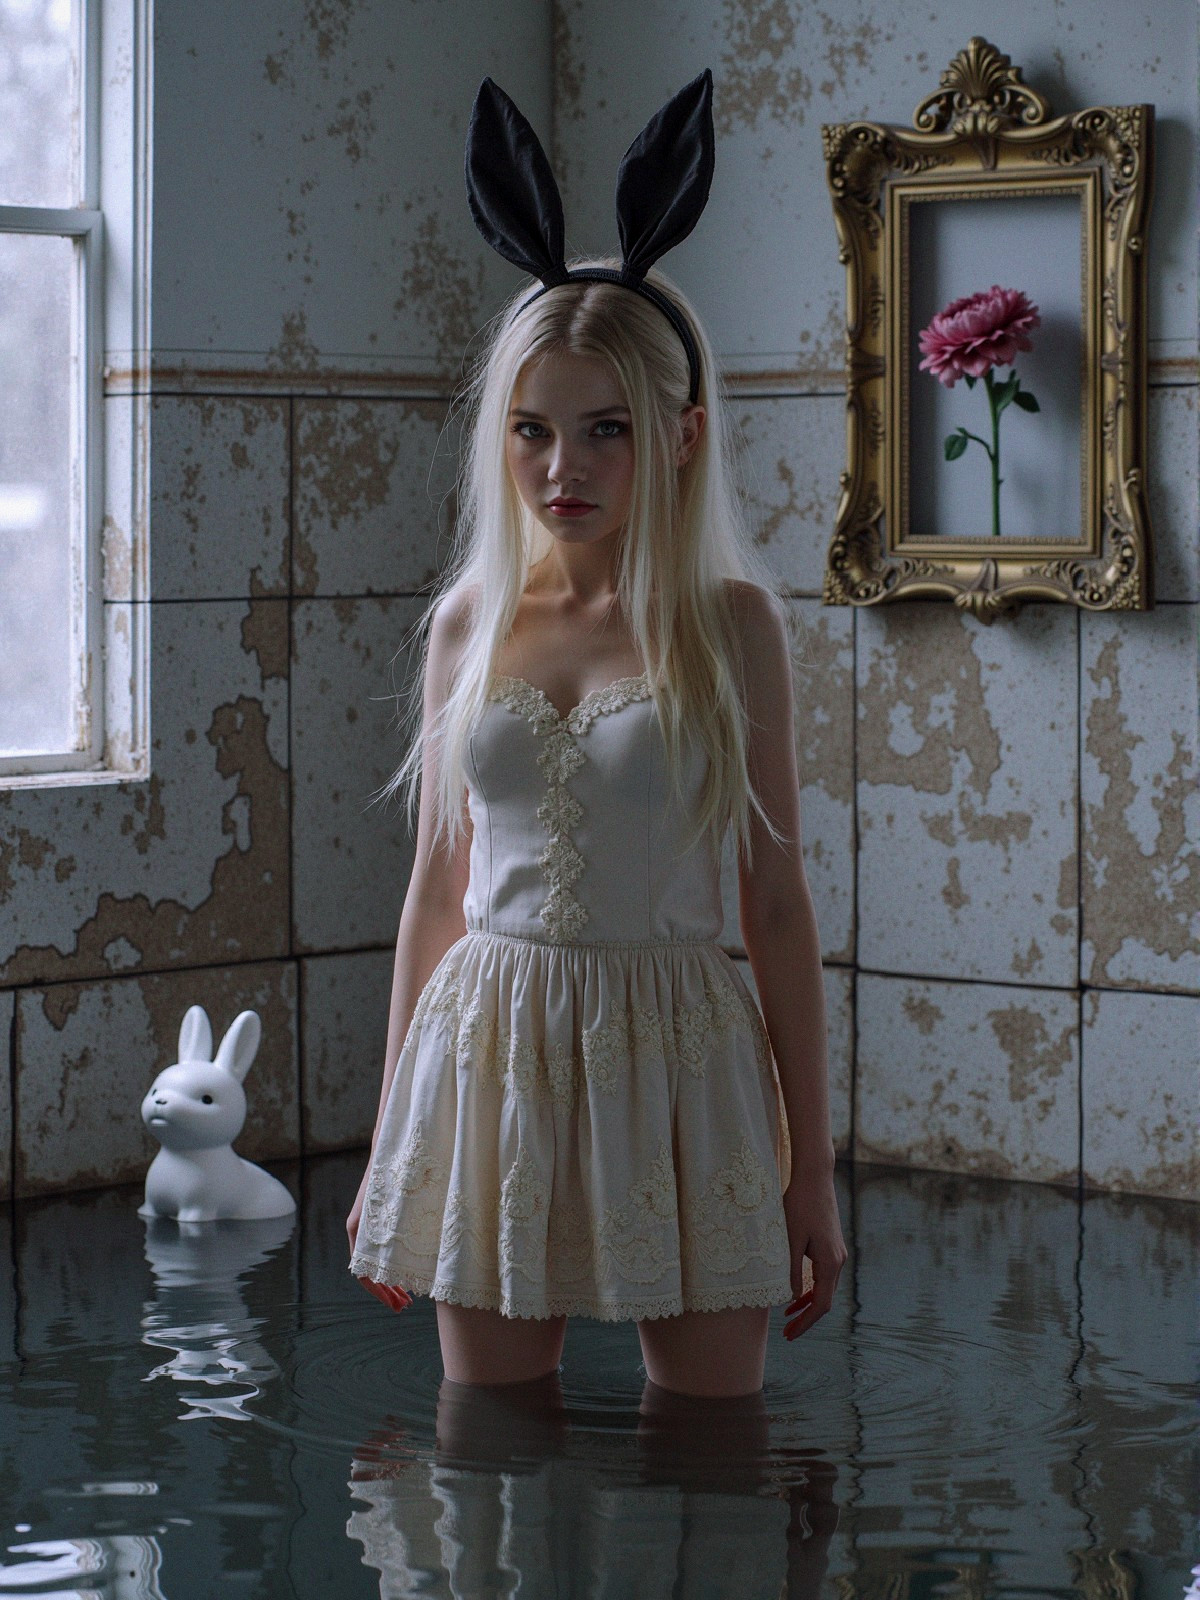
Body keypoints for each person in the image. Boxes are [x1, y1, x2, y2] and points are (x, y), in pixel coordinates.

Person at [346, 70, 846, 1400]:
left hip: (681, 1054)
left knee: (711, 1459)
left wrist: (814, 1172)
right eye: (534, 432)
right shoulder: (467, 621)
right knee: (487, 1455)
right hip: (490, 1054)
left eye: (605, 432)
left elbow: (778, 903)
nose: (563, 468)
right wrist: (396, 1137)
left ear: (681, 437)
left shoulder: (732, 626)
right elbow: (435, 895)